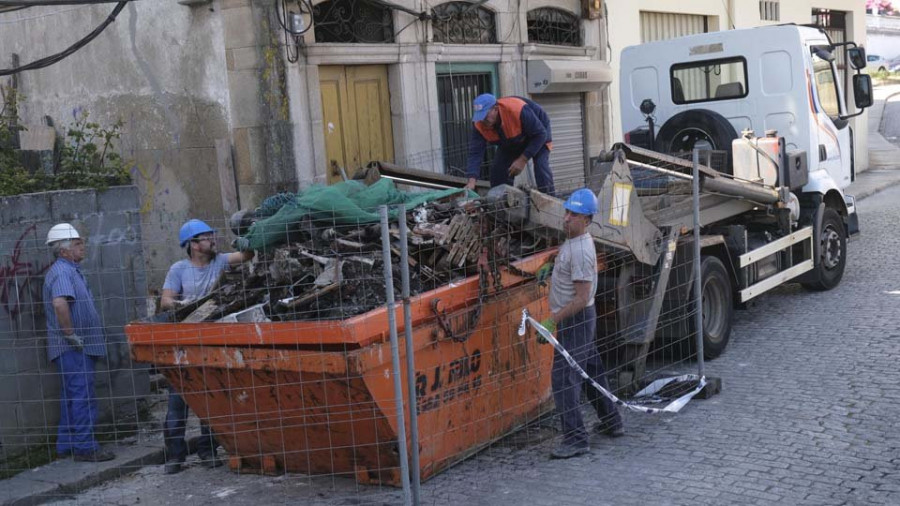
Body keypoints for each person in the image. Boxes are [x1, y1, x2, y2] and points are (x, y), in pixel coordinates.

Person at [159, 219, 254, 474]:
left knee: (210, 401)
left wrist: (248, 237)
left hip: (209, 344)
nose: (213, 240)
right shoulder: (178, 269)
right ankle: (175, 456)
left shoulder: (220, 261)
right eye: (207, 237)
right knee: (178, 403)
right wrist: (182, 305)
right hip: (183, 345)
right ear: (192, 245)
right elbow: (166, 300)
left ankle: (207, 451)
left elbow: (246, 254)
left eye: (212, 235)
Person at [540, 189, 623, 459]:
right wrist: (553, 263)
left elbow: (582, 297)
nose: (566, 218)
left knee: (564, 379)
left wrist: (552, 320)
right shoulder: (574, 241)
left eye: (573, 214)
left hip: (576, 321)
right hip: (578, 321)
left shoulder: (582, 251)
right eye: (566, 212)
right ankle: (612, 421)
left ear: (586, 219)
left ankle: (576, 439)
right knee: (591, 371)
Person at [43, 223, 115, 463]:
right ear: (63, 251)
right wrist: (70, 333)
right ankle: (85, 447)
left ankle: (67, 444)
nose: (83, 247)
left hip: (76, 347)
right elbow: (60, 303)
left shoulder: (69, 269)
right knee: (82, 396)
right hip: (73, 347)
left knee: (71, 396)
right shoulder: (63, 272)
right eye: (77, 244)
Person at [465, 93, 555, 195]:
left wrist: (522, 159)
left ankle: (550, 203)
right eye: (480, 116)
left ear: (495, 109)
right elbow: (475, 153)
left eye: (485, 115)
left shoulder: (516, 110)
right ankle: (501, 204)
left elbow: (540, 134)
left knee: (541, 166)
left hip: (538, 132)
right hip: (511, 137)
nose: (483, 120)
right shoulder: (479, 124)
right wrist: (471, 181)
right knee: (498, 171)